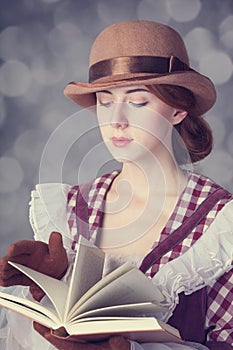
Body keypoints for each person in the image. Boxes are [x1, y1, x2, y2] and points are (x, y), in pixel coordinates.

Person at [0, 20, 232, 350]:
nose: (117, 120)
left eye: (138, 102)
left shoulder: (221, 226)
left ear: (178, 110)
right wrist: (45, 288)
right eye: (106, 101)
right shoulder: (71, 208)